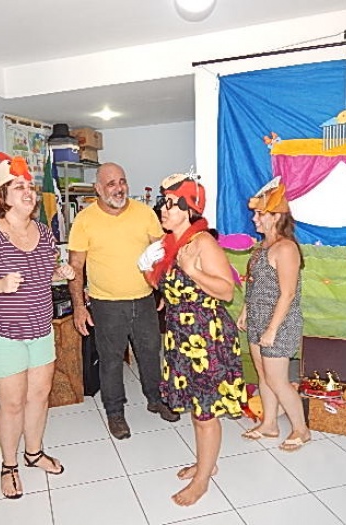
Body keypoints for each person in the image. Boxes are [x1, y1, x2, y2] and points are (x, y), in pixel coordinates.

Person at [0, 152, 75, 500]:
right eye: (18, 186)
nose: (28, 192)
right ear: (2, 196)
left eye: (30, 187)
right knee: (12, 404)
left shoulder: (44, 232)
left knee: (39, 395)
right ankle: (9, 466)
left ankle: (34, 453)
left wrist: (60, 273)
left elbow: (41, 276)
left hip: (40, 329)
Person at [142, 173, 247, 506]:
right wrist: (149, 272)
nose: (164, 209)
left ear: (190, 210)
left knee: (205, 413)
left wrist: (194, 271)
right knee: (196, 409)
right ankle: (206, 463)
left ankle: (203, 479)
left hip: (206, 339)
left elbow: (226, 291)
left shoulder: (202, 243)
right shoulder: (171, 244)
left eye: (172, 204)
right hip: (181, 337)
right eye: (163, 202)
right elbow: (173, 289)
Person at [67, 162, 179, 440]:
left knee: (151, 353)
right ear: (97, 189)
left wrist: (164, 291)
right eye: (111, 184)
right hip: (106, 305)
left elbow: (163, 254)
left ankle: (156, 399)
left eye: (122, 181)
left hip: (144, 300)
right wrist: (79, 306)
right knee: (111, 361)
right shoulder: (84, 220)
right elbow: (75, 266)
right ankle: (115, 413)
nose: (119, 188)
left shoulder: (145, 214)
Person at [236, 177, 311, 452]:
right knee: (263, 375)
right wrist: (246, 311)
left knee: (278, 380)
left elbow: (287, 294)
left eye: (260, 214)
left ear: (276, 216)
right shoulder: (262, 248)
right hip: (258, 319)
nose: (254, 219)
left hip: (279, 324)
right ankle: (269, 424)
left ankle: (301, 429)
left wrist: (271, 329)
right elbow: (255, 284)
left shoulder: (286, 248)